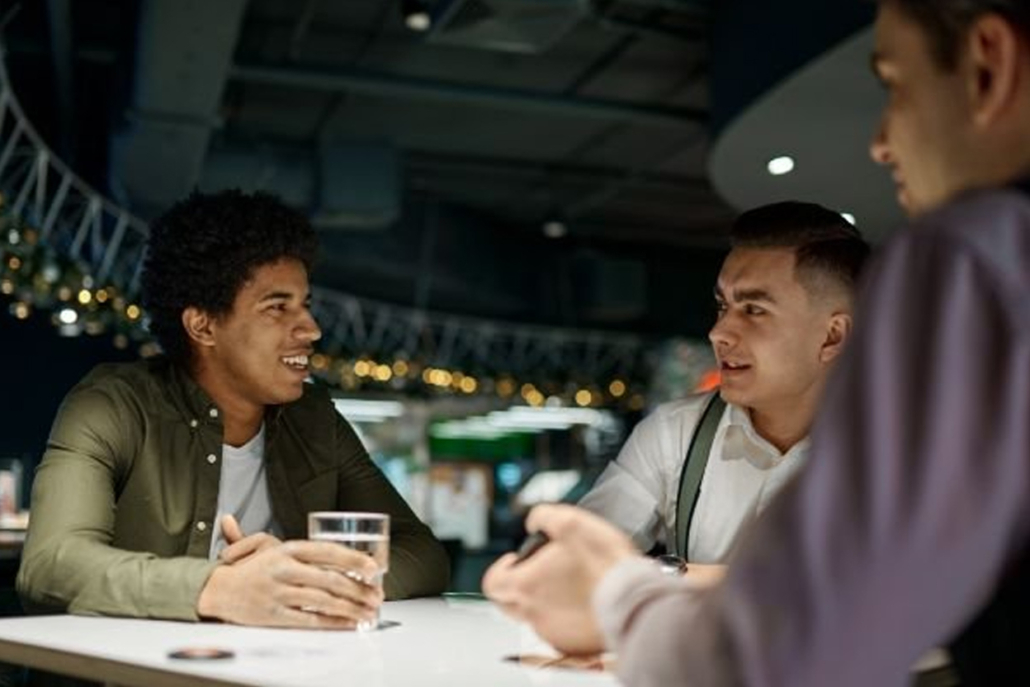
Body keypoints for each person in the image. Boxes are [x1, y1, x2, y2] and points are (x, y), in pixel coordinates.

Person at [483, 1, 1030, 684]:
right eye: (721, 304)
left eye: (895, 84)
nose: (881, 141)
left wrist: (621, 593)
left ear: (987, 64)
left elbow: (793, 647)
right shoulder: (679, 432)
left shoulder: (980, 254)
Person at [17, 190, 450, 628]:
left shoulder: (316, 420)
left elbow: (424, 553)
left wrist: (306, 580)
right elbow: (51, 565)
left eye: (305, 306)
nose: (312, 329)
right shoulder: (111, 407)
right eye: (278, 308)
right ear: (203, 325)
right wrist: (222, 589)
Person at [579, 201, 868, 585]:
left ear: (832, 336)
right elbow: (580, 560)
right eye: (722, 306)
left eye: (753, 309)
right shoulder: (676, 433)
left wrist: (670, 575)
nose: (719, 333)